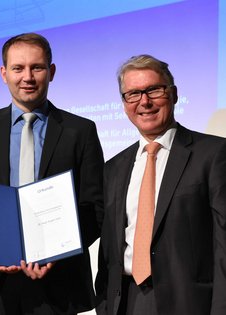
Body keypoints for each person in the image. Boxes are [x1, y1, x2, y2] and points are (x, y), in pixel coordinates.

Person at [0, 33, 104, 314]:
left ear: (52, 71)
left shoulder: (81, 131)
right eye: (18, 68)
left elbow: (95, 207)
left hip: (59, 284)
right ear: (3, 73)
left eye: (37, 67)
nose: (28, 77)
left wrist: (57, 251)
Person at [95, 54, 226, 315]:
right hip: (126, 301)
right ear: (124, 104)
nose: (144, 101)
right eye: (132, 94)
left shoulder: (213, 154)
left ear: (173, 94)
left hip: (189, 303)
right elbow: (109, 249)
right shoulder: (113, 168)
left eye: (153, 90)